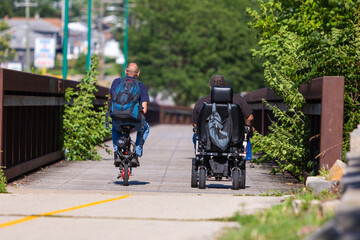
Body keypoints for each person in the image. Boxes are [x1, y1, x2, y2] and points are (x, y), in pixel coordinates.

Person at [192, 75, 254, 158]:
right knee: (246, 132)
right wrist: (248, 127)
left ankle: (201, 158)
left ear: (210, 87)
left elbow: (195, 124)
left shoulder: (202, 102)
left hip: (208, 140)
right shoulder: (238, 99)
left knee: (196, 136)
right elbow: (249, 118)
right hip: (233, 140)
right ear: (225, 86)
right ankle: (247, 158)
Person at [108, 63, 150, 166]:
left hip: (118, 117)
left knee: (114, 128)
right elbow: (144, 110)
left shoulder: (116, 82)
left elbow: (110, 99)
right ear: (138, 73)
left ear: (125, 72)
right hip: (134, 120)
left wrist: (110, 111)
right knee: (145, 128)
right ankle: (136, 154)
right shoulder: (141, 85)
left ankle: (117, 153)